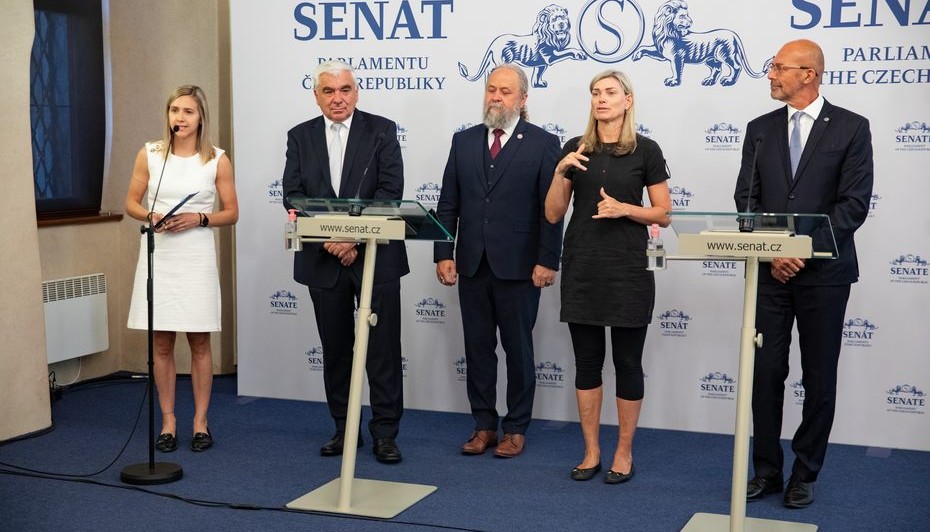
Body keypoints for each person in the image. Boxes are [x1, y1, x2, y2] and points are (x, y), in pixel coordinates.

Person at [734, 39, 873, 508]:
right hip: (769, 273)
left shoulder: (852, 128)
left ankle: (805, 472)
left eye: (778, 67)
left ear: (808, 74)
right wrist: (774, 251)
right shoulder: (759, 130)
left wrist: (799, 250)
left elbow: (852, 205)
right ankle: (767, 470)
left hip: (824, 275)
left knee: (819, 376)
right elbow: (746, 200)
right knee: (766, 372)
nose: (770, 75)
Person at [544, 70, 671, 483]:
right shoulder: (575, 148)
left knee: (628, 362)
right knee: (586, 363)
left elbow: (664, 214)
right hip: (583, 266)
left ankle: (623, 451)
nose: (601, 99)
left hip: (628, 268)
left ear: (627, 101)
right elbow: (552, 214)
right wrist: (560, 172)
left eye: (610, 92)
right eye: (595, 92)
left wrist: (625, 209)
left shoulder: (645, 150)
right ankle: (591, 451)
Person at [282, 60, 408, 464]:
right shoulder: (300, 136)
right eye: (329, 91)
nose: (338, 98)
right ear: (316, 96)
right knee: (336, 350)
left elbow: (390, 191)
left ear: (356, 92)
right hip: (323, 259)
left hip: (376, 257)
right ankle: (344, 428)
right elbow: (293, 195)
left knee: (382, 350)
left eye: (345, 90)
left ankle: (385, 433)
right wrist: (331, 238)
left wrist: (353, 236)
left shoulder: (382, 130)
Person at [434, 64, 562, 459]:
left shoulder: (544, 143)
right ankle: (484, 425)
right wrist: (443, 252)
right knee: (477, 349)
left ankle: (516, 428)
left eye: (505, 91)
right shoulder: (463, 141)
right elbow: (448, 202)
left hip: (520, 267)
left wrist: (547, 260)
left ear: (523, 99)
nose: (496, 97)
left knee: (518, 351)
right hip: (472, 264)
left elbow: (552, 211)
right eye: (491, 89)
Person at [126, 85, 239, 453]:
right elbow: (131, 202)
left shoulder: (217, 159)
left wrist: (199, 218)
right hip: (160, 253)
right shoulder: (150, 154)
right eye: (175, 110)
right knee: (161, 342)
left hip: (195, 256)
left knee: (199, 342)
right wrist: (151, 215)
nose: (180, 117)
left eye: (188, 111)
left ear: (201, 116)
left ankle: (200, 422)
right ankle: (169, 421)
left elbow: (231, 212)